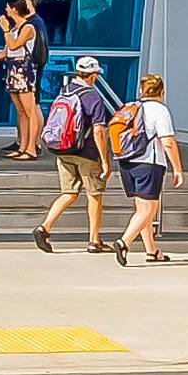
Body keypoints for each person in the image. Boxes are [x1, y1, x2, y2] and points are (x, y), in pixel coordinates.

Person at [35, 48, 114, 253]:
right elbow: (98, 131)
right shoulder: (93, 97)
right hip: (86, 152)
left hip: (63, 149)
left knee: (68, 193)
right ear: (94, 76)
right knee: (94, 194)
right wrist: (105, 160)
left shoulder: (65, 91)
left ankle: (44, 227)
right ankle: (94, 241)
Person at [109, 70, 184, 264]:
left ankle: (152, 251)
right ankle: (124, 242)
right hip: (149, 163)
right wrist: (177, 168)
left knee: (142, 210)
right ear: (162, 91)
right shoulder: (160, 110)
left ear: (142, 90)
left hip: (127, 161)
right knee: (149, 209)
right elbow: (168, 142)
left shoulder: (130, 106)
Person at [0, 0, 51, 160]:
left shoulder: (29, 27)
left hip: (24, 71)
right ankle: (22, 146)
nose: (6, 9)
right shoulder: (16, 27)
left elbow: (14, 46)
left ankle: (31, 148)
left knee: (30, 111)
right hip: (13, 69)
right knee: (20, 111)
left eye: (9, 7)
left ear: (15, 9)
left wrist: (5, 29)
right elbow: (8, 49)